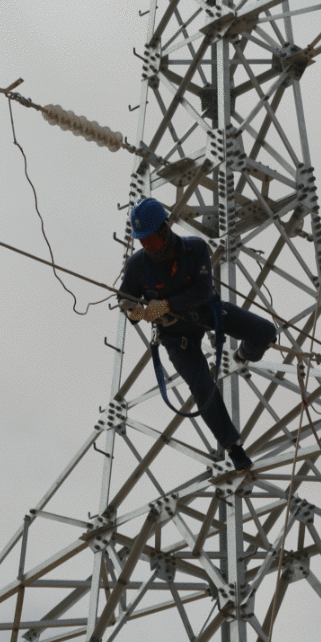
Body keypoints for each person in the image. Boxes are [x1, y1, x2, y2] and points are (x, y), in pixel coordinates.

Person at [119, 198, 278, 472]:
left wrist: (166, 304)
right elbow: (125, 298)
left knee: (265, 331)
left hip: (208, 314)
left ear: (164, 230)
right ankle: (233, 446)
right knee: (203, 387)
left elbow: (203, 291)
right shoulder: (137, 266)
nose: (145, 245)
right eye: (141, 241)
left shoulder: (194, 249)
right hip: (176, 338)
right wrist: (134, 311)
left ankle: (244, 354)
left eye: (149, 239)